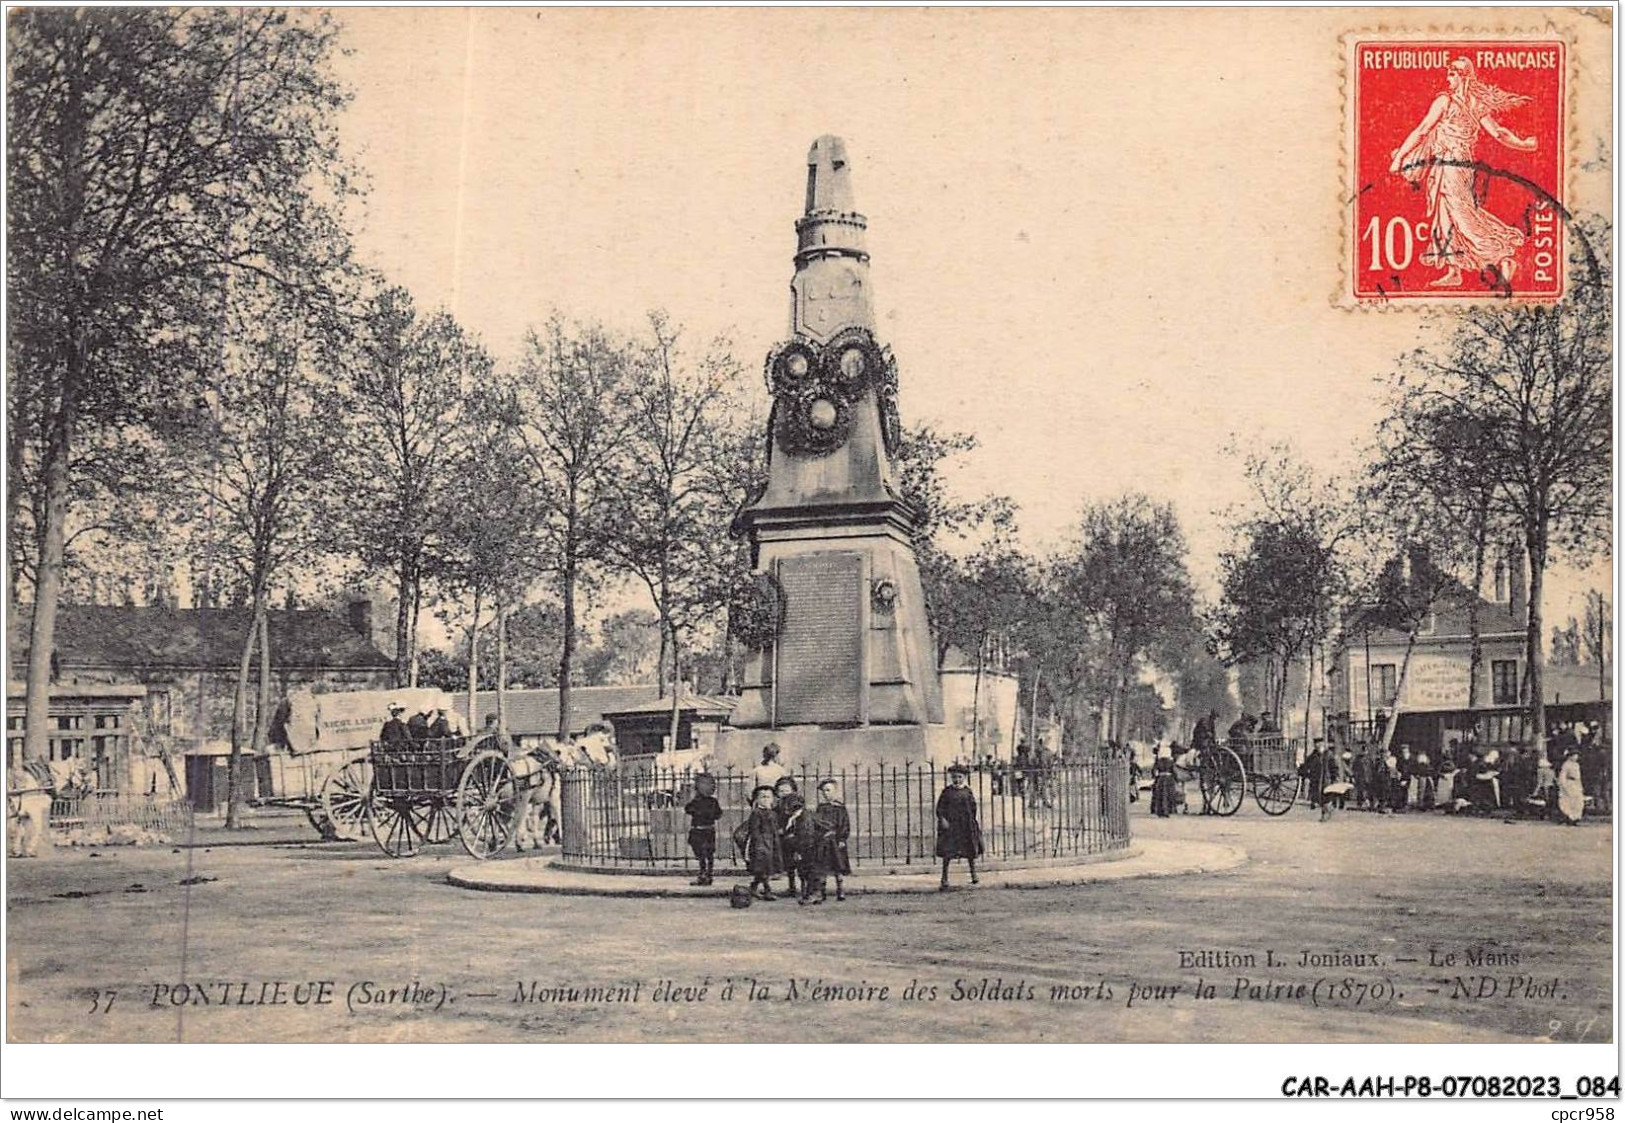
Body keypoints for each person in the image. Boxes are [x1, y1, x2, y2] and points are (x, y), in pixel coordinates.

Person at [1388, 56, 1538, 288]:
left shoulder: (1445, 101)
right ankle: (1453, 270)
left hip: (1452, 166)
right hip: (1456, 164)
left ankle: (1501, 257)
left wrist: (1399, 157)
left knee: (1462, 214)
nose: (1448, 79)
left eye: (1451, 74)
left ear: (1461, 76)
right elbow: (1499, 133)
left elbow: (1422, 130)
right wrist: (1524, 144)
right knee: (1445, 214)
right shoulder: (1475, 103)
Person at [935, 764, 983, 890]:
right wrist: (943, 819)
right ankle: (944, 878)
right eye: (954, 777)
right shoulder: (947, 792)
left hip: (965, 826)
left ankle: (973, 874)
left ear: (965, 777)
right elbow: (940, 808)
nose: (957, 780)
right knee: (948, 852)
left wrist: (972, 822)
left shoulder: (967, 791)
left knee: (970, 852)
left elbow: (973, 808)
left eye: (960, 777)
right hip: (951, 826)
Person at [731, 786, 783, 901]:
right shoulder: (756, 813)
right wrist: (760, 845)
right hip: (761, 844)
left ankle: (753, 887)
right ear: (757, 800)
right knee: (763, 868)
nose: (765, 800)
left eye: (768, 797)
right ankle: (767, 891)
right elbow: (755, 831)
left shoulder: (772, 813)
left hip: (772, 842)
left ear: (773, 799)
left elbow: (775, 829)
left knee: (766, 869)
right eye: (762, 797)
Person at [809, 779, 851, 902]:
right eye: (824, 791)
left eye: (828, 790)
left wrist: (842, 838)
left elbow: (845, 824)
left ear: (835, 791)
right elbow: (817, 823)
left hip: (836, 841)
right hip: (824, 842)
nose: (826, 793)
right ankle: (822, 892)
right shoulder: (821, 808)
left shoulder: (840, 808)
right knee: (823, 867)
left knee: (838, 867)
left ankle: (840, 890)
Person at [7, 756, 56, 858]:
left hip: (29, 801)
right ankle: (27, 849)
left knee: (24, 827)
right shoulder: (21, 775)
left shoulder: (28, 776)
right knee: (34, 828)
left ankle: (20, 849)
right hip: (30, 802)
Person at [774, 776, 810, 900]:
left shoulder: (796, 802)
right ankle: (792, 886)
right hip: (785, 839)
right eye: (781, 791)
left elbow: (799, 818)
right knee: (789, 864)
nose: (784, 793)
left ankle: (804, 887)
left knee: (801, 863)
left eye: (786, 790)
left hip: (797, 838)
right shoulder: (778, 805)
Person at [684, 773, 723, 886]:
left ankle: (704, 875)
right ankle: (707, 875)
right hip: (707, 830)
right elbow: (718, 814)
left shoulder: (699, 801)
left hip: (701, 830)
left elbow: (688, 809)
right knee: (707, 854)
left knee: (703, 854)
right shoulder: (710, 801)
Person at [1556, 749, 1585, 826]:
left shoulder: (1576, 765)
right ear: (1570, 756)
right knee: (1568, 801)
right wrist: (1563, 786)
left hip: (1576, 784)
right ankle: (1569, 818)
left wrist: (1580, 786)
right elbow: (1562, 776)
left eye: (1577, 755)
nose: (1576, 757)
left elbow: (1579, 777)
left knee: (1578, 801)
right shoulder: (1566, 765)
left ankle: (1575, 818)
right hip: (1569, 783)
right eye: (1574, 755)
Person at [1150, 748, 1179, 818]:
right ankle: (1168, 811)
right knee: (1168, 795)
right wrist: (1176, 779)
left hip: (1160, 779)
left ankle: (1160, 811)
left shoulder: (1158, 761)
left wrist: (1155, 777)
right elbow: (1174, 771)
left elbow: (1153, 770)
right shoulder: (1170, 761)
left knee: (1160, 795)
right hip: (1169, 779)